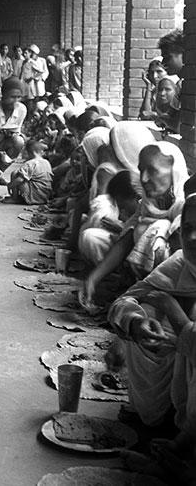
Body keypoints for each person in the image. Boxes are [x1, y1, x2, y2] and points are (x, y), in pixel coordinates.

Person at [108, 193, 196, 431]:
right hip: (176, 371)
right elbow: (124, 301)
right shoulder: (178, 264)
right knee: (146, 309)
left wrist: (172, 309)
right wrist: (135, 323)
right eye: (187, 227)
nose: (192, 237)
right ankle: (157, 416)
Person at [84, 141, 189, 305]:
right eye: (141, 170)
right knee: (92, 237)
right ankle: (132, 288)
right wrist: (93, 278)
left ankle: (150, 298)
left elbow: (183, 259)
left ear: (173, 171)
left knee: (158, 228)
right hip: (144, 271)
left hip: (178, 283)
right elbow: (126, 239)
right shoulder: (148, 202)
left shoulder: (186, 204)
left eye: (152, 170)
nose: (144, 178)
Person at [7, 140, 53, 204]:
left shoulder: (30, 163)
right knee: (23, 176)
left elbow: (20, 180)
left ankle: (15, 198)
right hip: (45, 196)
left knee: (15, 173)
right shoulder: (46, 162)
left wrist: (9, 185)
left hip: (34, 196)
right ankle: (21, 197)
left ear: (29, 152)